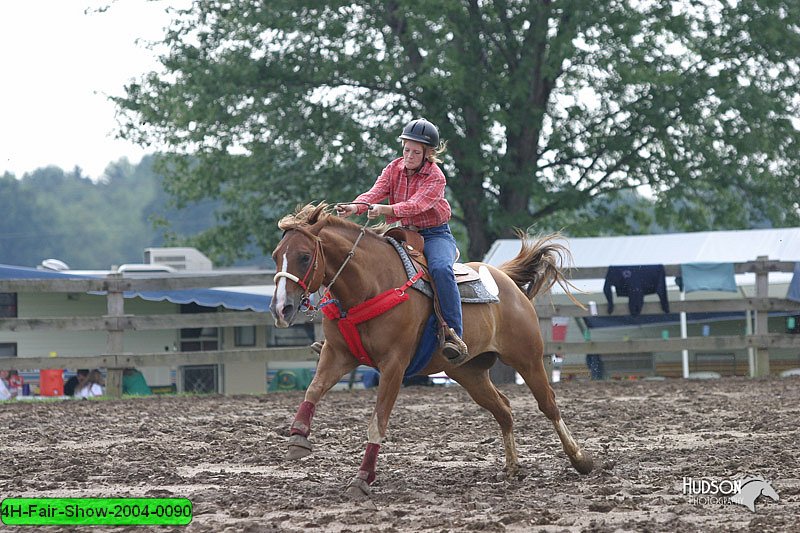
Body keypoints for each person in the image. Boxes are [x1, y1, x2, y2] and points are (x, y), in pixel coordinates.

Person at [336, 118, 469, 365]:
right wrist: (354, 206)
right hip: (404, 232)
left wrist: (384, 211)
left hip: (435, 234)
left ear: (428, 154)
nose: (408, 155)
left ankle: (453, 333)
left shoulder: (436, 177)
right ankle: (341, 331)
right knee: (365, 262)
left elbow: (416, 205)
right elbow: (375, 192)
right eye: (406, 149)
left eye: (415, 152)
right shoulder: (393, 168)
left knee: (440, 269)